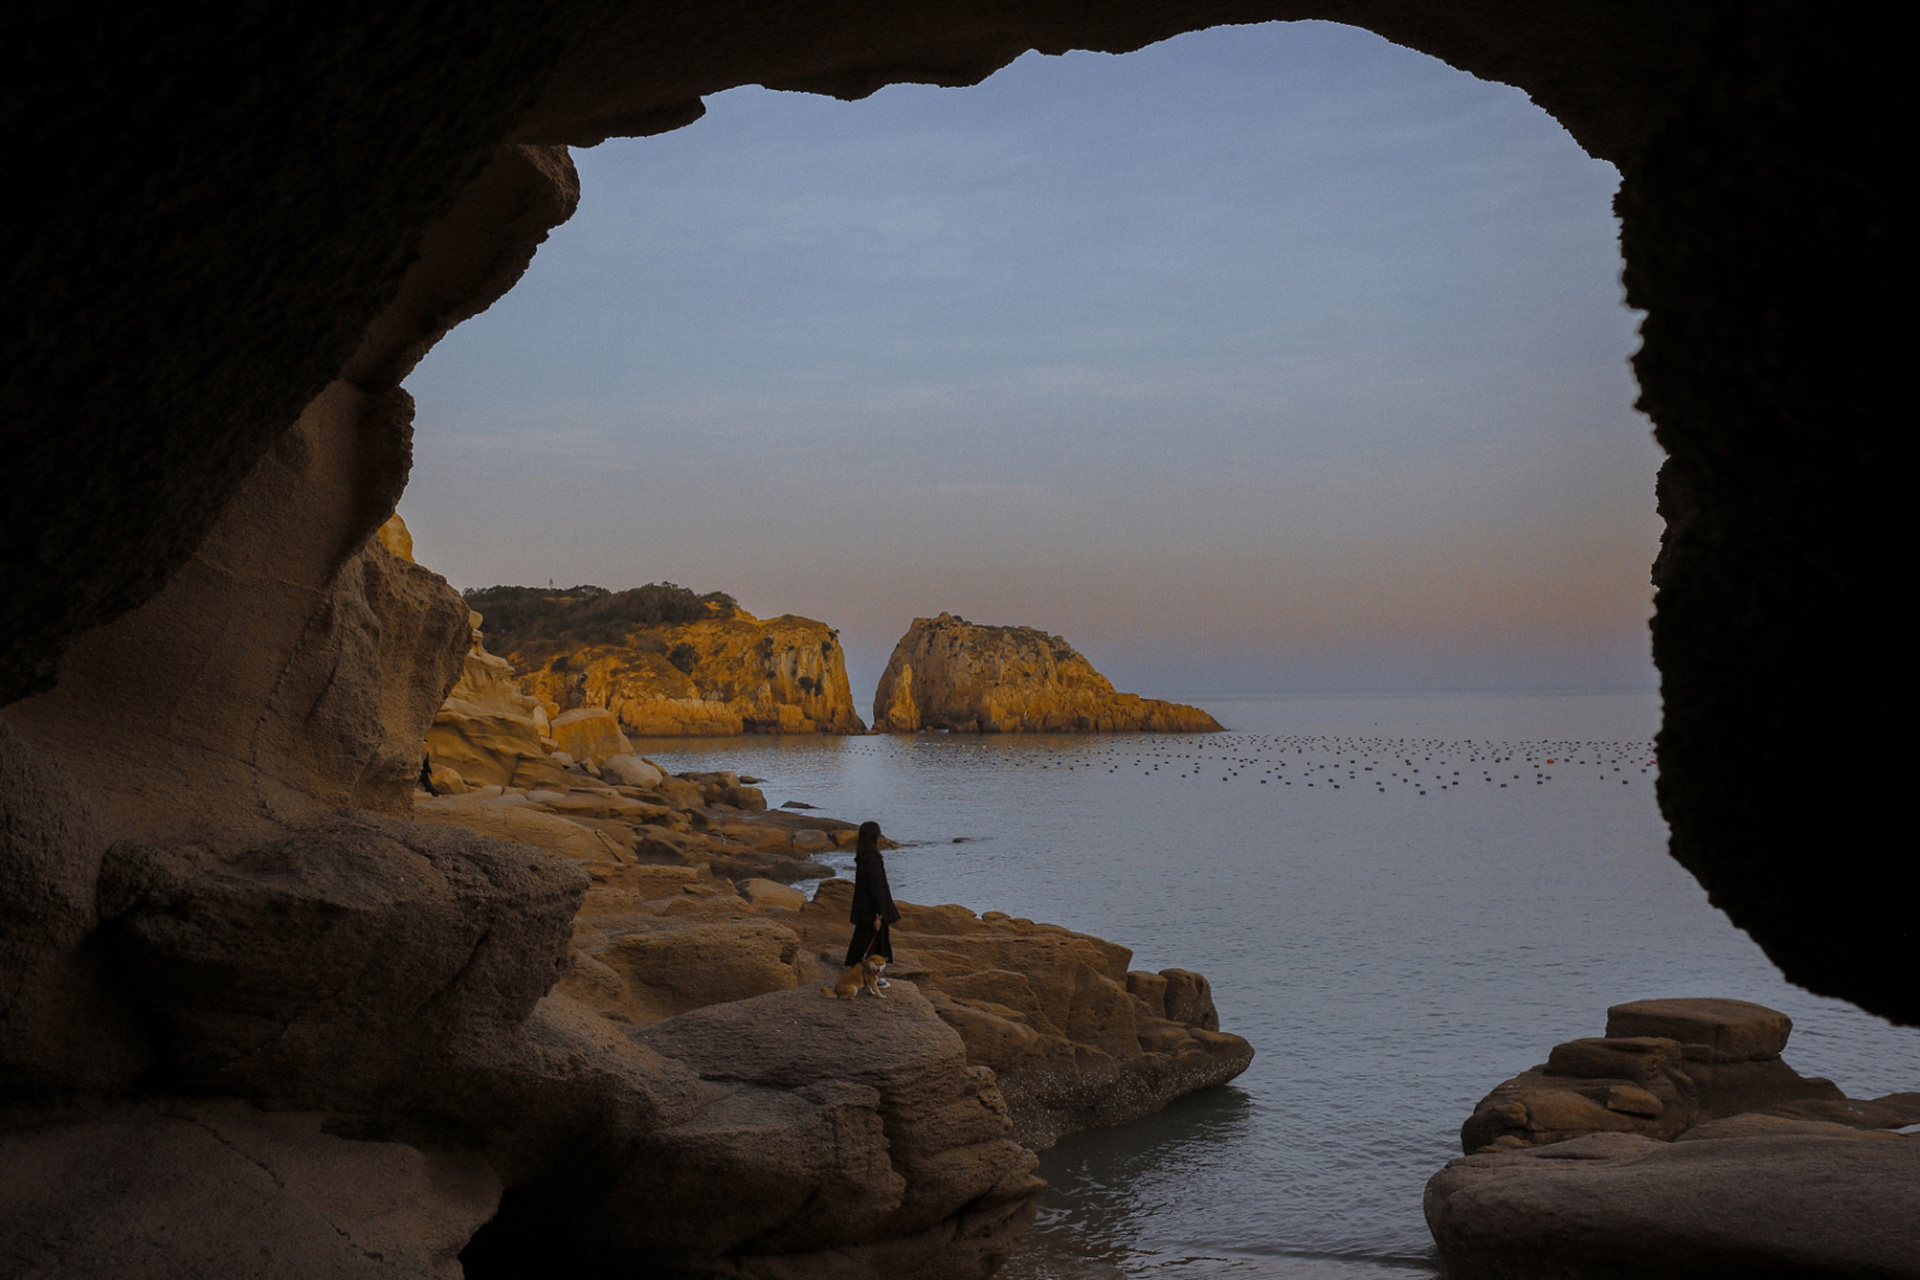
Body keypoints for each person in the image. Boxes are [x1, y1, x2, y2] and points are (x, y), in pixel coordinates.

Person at [845, 820, 899, 975]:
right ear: (875, 837)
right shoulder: (873, 859)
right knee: (875, 944)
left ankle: (863, 974)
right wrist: (879, 913)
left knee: (863, 942)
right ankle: (871, 977)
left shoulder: (862, 857)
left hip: (863, 909)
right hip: (872, 911)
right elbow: (877, 888)